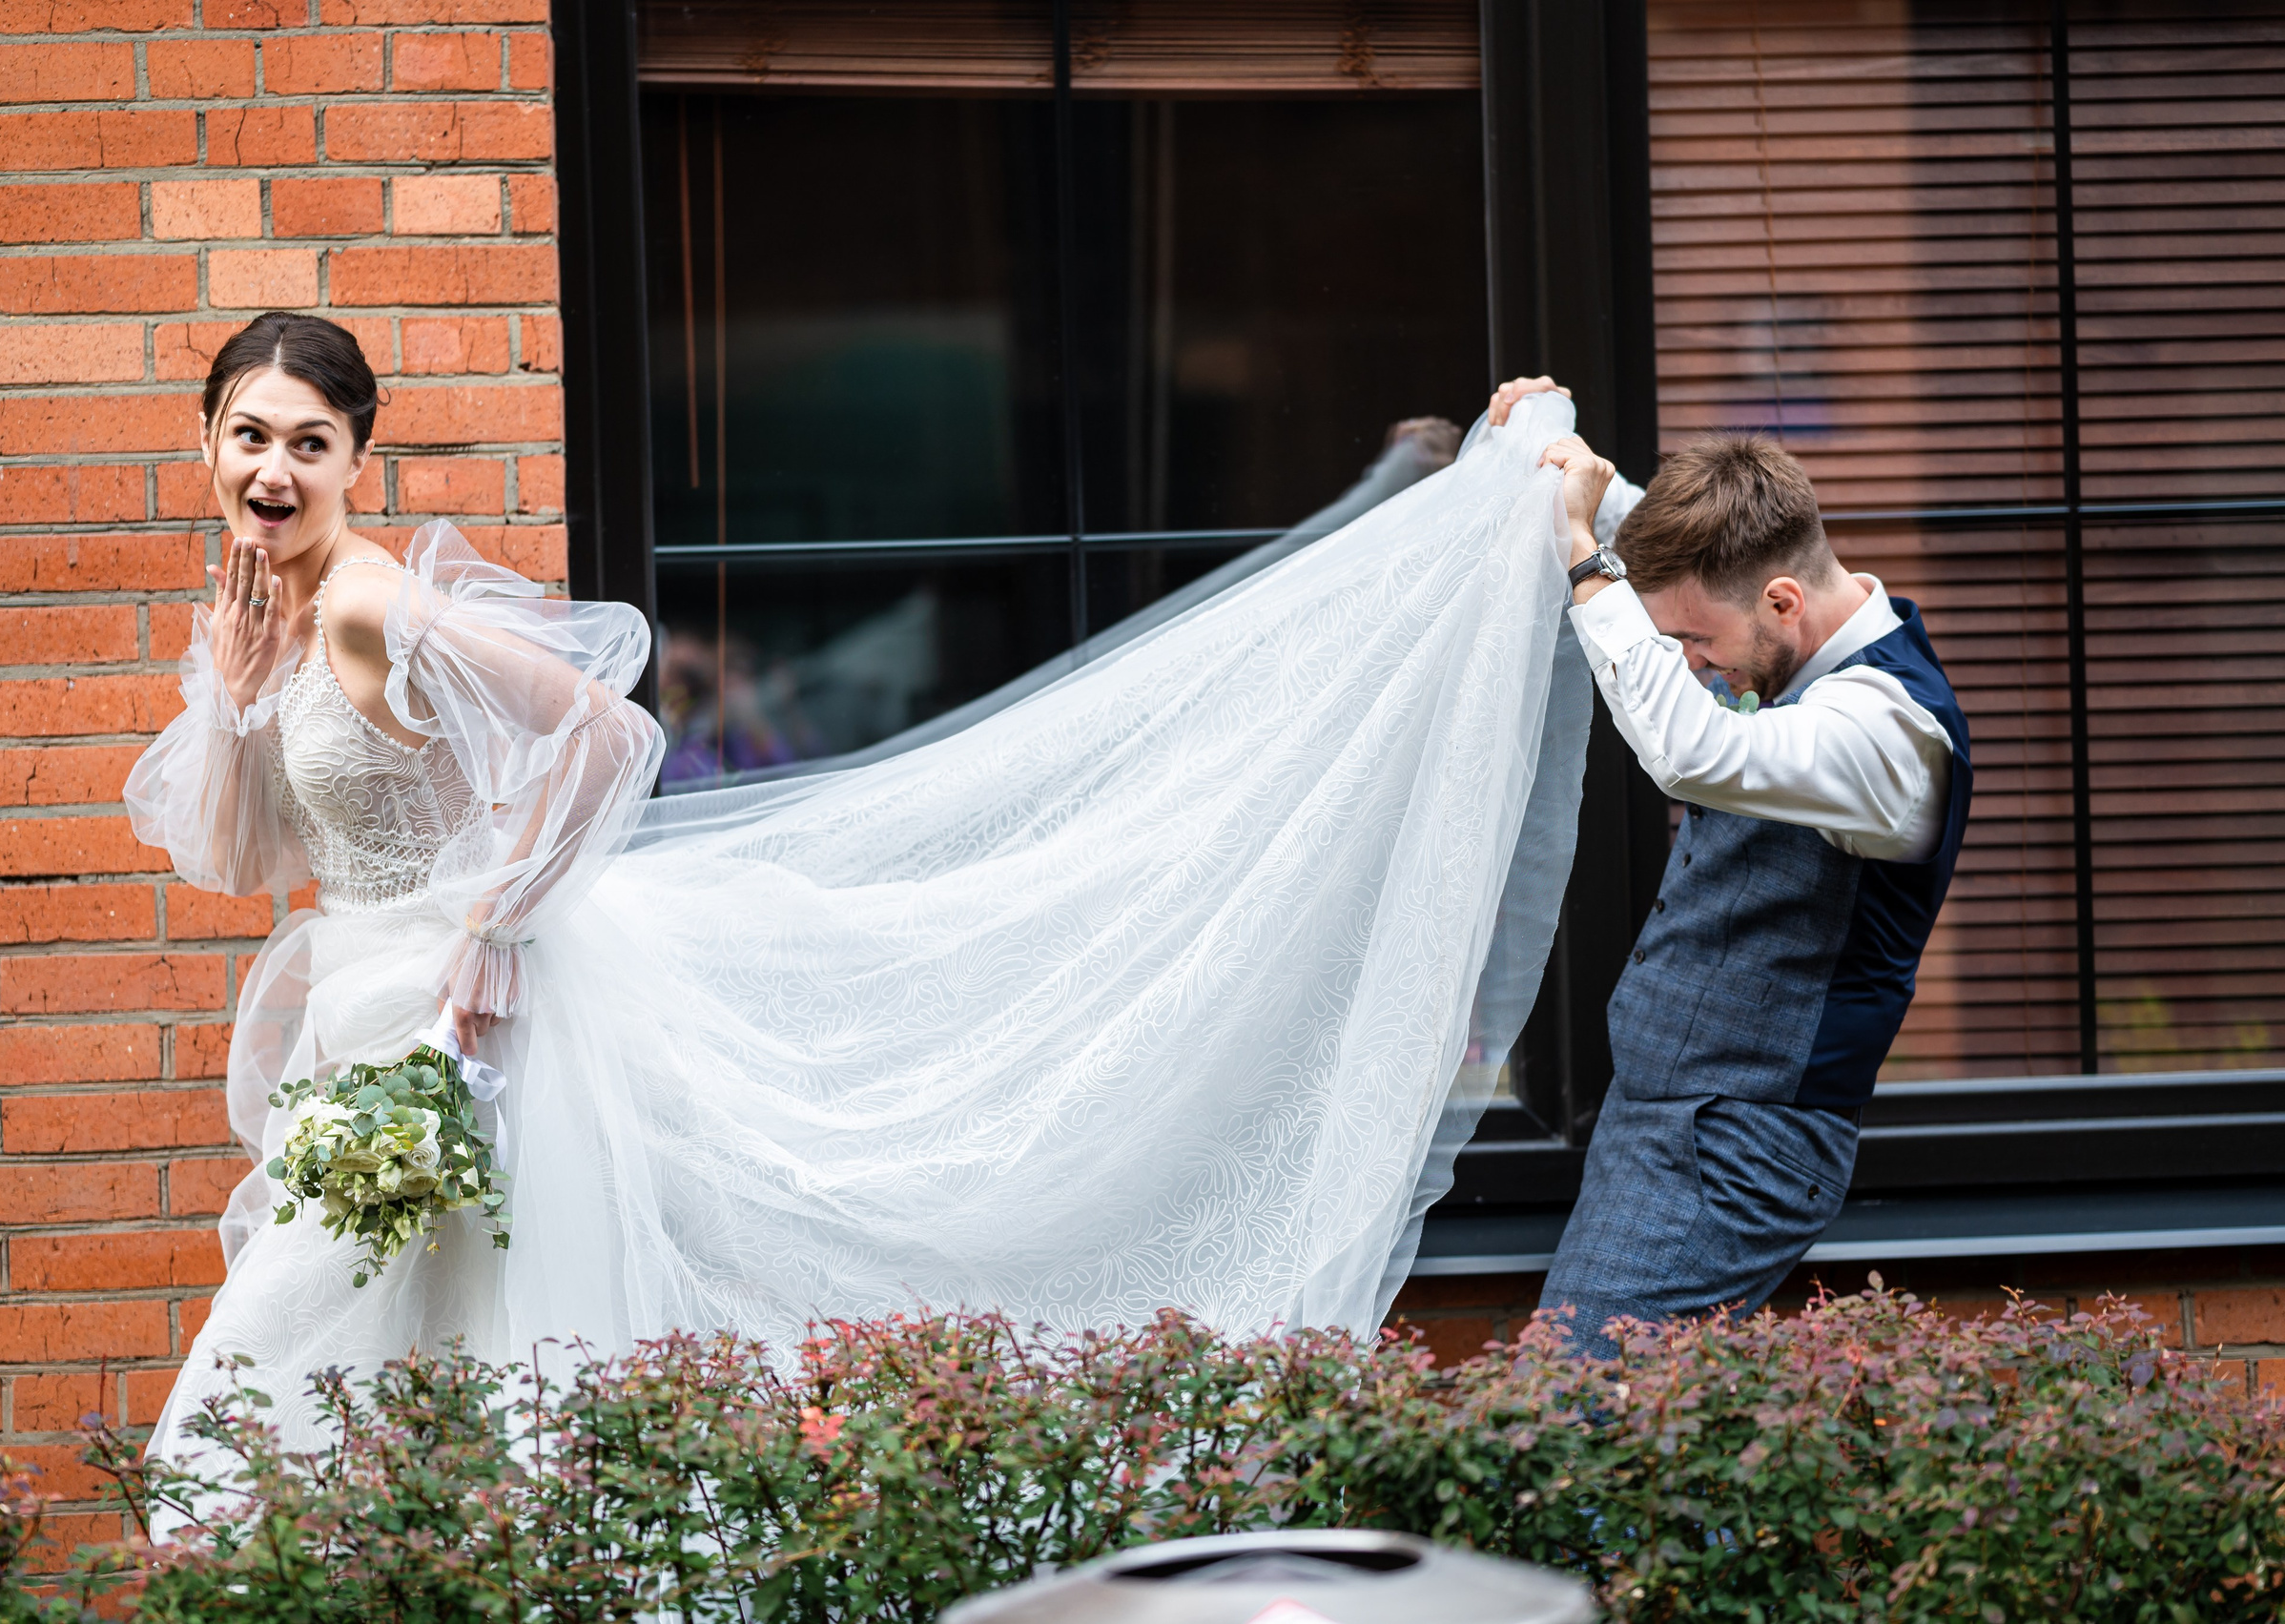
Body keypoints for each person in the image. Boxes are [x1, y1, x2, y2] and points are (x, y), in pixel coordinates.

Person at [131, 311, 1597, 1492]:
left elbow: (605, 731)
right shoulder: (268, 617)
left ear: (358, 457)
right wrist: (239, 693)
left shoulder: (371, 600)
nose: (276, 469)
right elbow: (248, 856)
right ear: (207, 444)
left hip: (461, 1021)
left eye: (309, 442)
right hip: (364, 1016)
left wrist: (491, 930)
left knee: (282, 1388)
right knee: (431, 1379)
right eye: (250, 436)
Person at [1485, 376, 1973, 1358]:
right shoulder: (1775, 623)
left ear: (1783, 601)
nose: (1691, 662)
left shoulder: (1888, 732)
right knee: (1622, 1417)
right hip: (1671, 1118)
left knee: (1572, 1403)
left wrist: (1586, 561)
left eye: (1695, 642)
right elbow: (1689, 568)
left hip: (1735, 1143)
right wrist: (1565, 457)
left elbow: (1692, 752)